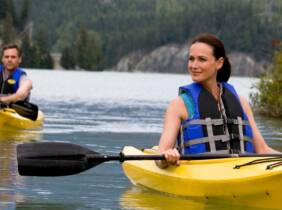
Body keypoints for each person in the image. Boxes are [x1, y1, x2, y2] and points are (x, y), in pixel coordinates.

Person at [156, 34, 279, 168]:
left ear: (219, 63)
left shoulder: (242, 103)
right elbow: (159, 158)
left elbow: (263, 150)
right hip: (199, 172)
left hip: (243, 169)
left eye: (201, 59)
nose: (194, 65)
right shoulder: (179, 105)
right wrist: (167, 157)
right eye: (191, 59)